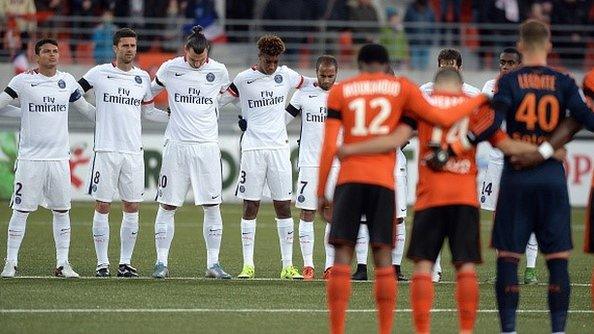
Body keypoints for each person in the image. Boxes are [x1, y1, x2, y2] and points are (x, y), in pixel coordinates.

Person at [335, 67, 547, 334]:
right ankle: (466, 330)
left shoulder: (422, 106)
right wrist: (546, 151)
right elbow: (507, 146)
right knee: (465, 268)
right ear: (461, 87)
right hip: (464, 198)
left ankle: (422, 330)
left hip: (429, 198)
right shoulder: (475, 110)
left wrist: (352, 150)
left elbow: (393, 140)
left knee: (423, 266)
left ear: (434, 87)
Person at [318, 43, 488, 334]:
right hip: (384, 181)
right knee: (384, 258)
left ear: (359, 65)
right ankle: (386, 329)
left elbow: (329, 145)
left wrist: (322, 191)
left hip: (349, 179)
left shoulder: (340, 91)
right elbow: (443, 118)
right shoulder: (403, 89)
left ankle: (337, 329)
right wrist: (479, 101)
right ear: (386, 66)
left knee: (342, 255)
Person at [489, 20, 594, 334]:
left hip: (516, 176)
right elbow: (586, 118)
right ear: (549, 46)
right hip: (551, 177)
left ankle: (509, 330)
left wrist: (525, 149)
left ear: (520, 47)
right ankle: (558, 331)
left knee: (508, 257)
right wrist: (547, 149)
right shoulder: (563, 80)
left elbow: (490, 128)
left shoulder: (508, 81)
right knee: (558, 259)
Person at [0, 38, 97, 278]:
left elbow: (85, 109)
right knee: (20, 211)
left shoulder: (67, 81)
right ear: (37, 56)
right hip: (30, 160)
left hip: (58, 160)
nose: (52, 55)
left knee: (62, 211)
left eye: (55, 51)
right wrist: (23, 113)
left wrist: (112, 119)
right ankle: (10, 263)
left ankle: (63, 263)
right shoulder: (22, 81)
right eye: (46, 52)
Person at [78, 28, 170, 278]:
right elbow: (73, 94)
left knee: (132, 206)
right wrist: (94, 115)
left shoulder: (141, 78)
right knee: (103, 205)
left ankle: (125, 263)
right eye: (125, 45)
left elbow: (149, 112)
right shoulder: (99, 73)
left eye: (133, 45)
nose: (130, 49)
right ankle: (101, 263)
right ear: (115, 48)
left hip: (133, 152)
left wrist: (177, 117)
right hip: (106, 150)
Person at [224, 35, 315, 279]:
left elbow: (311, 83)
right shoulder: (243, 79)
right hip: (253, 149)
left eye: (275, 61)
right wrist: (241, 113)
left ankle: (287, 266)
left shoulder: (285, 75)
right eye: (268, 61)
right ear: (259, 57)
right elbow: (222, 99)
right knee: (250, 205)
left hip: (279, 149)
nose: (272, 66)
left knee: (283, 205)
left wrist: (336, 85)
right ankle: (247, 265)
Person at [149, 26, 232, 279]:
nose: (198, 63)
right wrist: (166, 116)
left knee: (212, 205)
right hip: (177, 145)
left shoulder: (218, 71)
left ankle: (213, 263)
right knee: (168, 204)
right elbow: (148, 95)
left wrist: (212, 110)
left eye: (202, 58)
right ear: (185, 51)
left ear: (207, 53)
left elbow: (227, 96)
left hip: (207, 146)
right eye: (194, 59)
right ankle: (161, 263)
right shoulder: (169, 68)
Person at [420, 48, 480, 282]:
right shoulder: (424, 91)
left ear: (460, 67)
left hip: (458, 172)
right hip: (435, 174)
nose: (447, 68)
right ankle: (435, 270)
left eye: (451, 64)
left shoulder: (473, 94)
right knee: (431, 241)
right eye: (443, 64)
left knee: (460, 250)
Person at [481, 47, 540, 285]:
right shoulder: (489, 86)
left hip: (524, 156)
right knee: (500, 214)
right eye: (502, 63)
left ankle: (531, 268)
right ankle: (505, 268)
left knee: (530, 210)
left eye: (509, 63)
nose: (504, 67)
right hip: (496, 158)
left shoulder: (531, 86)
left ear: (519, 65)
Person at [284, 55, 338, 280]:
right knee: (307, 213)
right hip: (309, 163)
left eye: (330, 76)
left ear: (337, 73)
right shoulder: (302, 94)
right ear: (315, 73)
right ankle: (308, 265)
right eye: (322, 75)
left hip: (336, 164)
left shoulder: (342, 95)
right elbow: (282, 120)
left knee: (333, 214)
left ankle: (330, 266)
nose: (326, 79)